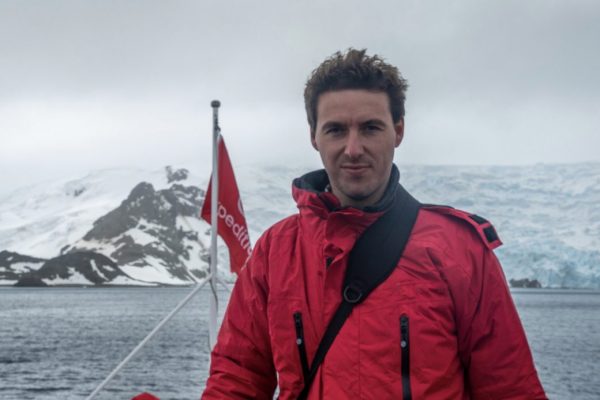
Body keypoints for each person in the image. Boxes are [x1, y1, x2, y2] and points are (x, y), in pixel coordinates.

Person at [202, 49, 547, 399]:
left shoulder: (459, 251)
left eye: (370, 128)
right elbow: (236, 380)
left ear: (397, 132)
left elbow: (510, 388)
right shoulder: (275, 253)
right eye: (336, 130)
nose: (353, 149)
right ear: (314, 137)